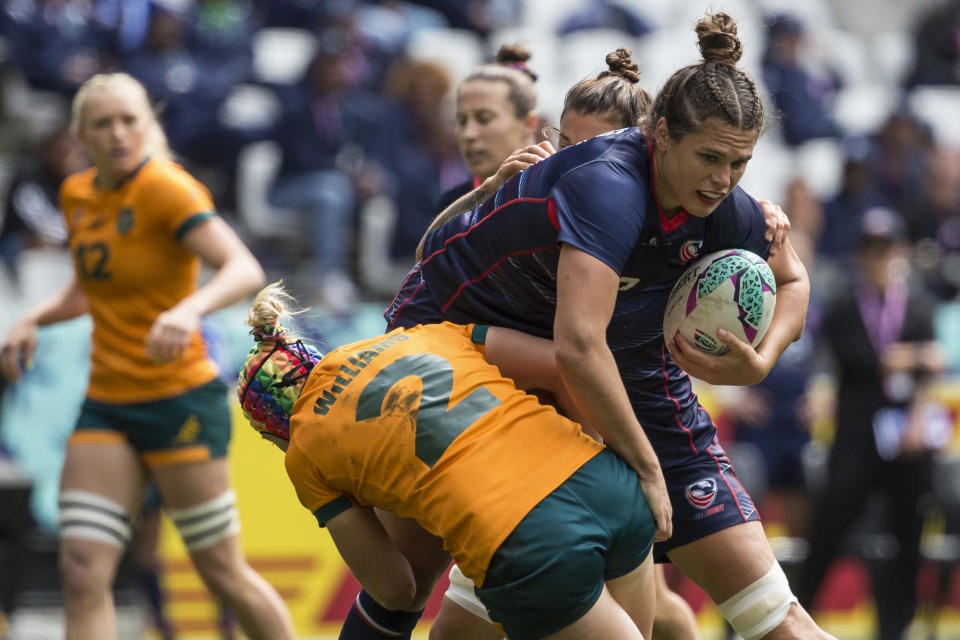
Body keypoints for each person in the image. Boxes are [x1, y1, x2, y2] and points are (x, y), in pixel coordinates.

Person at [387, 13, 833, 640]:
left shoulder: (725, 207)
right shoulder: (605, 186)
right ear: (659, 135)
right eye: (709, 157)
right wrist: (649, 472)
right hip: (469, 353)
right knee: (407, 590)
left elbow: (794, 281)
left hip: (613, 367)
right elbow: (576, 346)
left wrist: (762, 360)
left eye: (740, 162)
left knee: (770, 614)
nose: (724, 179)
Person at [0, 73, 295, 640]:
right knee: (82, 571)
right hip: (108, 404)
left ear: (149, 125)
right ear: (80, 134)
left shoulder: (167, 189)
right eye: (103, 123)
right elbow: (90, 288)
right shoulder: (77, 194)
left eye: (130, 120)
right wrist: (34, 316)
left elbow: (244, 268)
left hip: (179, 400)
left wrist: (190, 309)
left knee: (221, 572)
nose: (118, 134)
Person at [424, 48, 700, 640]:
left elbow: (578, 351)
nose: (580, 162)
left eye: (483, 117)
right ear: (548, 133)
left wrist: (769, 223)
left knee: (657, 609)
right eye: (567, 144)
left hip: (584, 440)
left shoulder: (635, 205)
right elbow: (427, 260)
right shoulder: (523, 187)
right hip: (521, 428)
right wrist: (486, 191)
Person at [237, 283, 658, 640]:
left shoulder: (304, 454)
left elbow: (398, 592)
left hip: (528, 543)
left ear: (274, 429)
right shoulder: (421, 333)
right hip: (607, 486)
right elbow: (560, 366)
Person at [796, 206, 949, 640]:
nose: (880, 258)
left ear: (899, 252)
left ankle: (897, 627)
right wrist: (914, 356)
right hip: (856, 441)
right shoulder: (845, 307)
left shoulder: (917, 305)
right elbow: (869, 359)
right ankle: (797, 617)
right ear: (861, 254)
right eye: (872, 250)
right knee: (827, 532)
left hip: (906, 441)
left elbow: (928, 372)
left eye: (887, 249)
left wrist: (919, 415)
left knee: (910, 535)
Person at [435, 43, 540, 214]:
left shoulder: (555, 198)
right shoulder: (450, 205)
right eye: (461, 121)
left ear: (528, 124)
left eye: (484, 119)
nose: (468, 134)